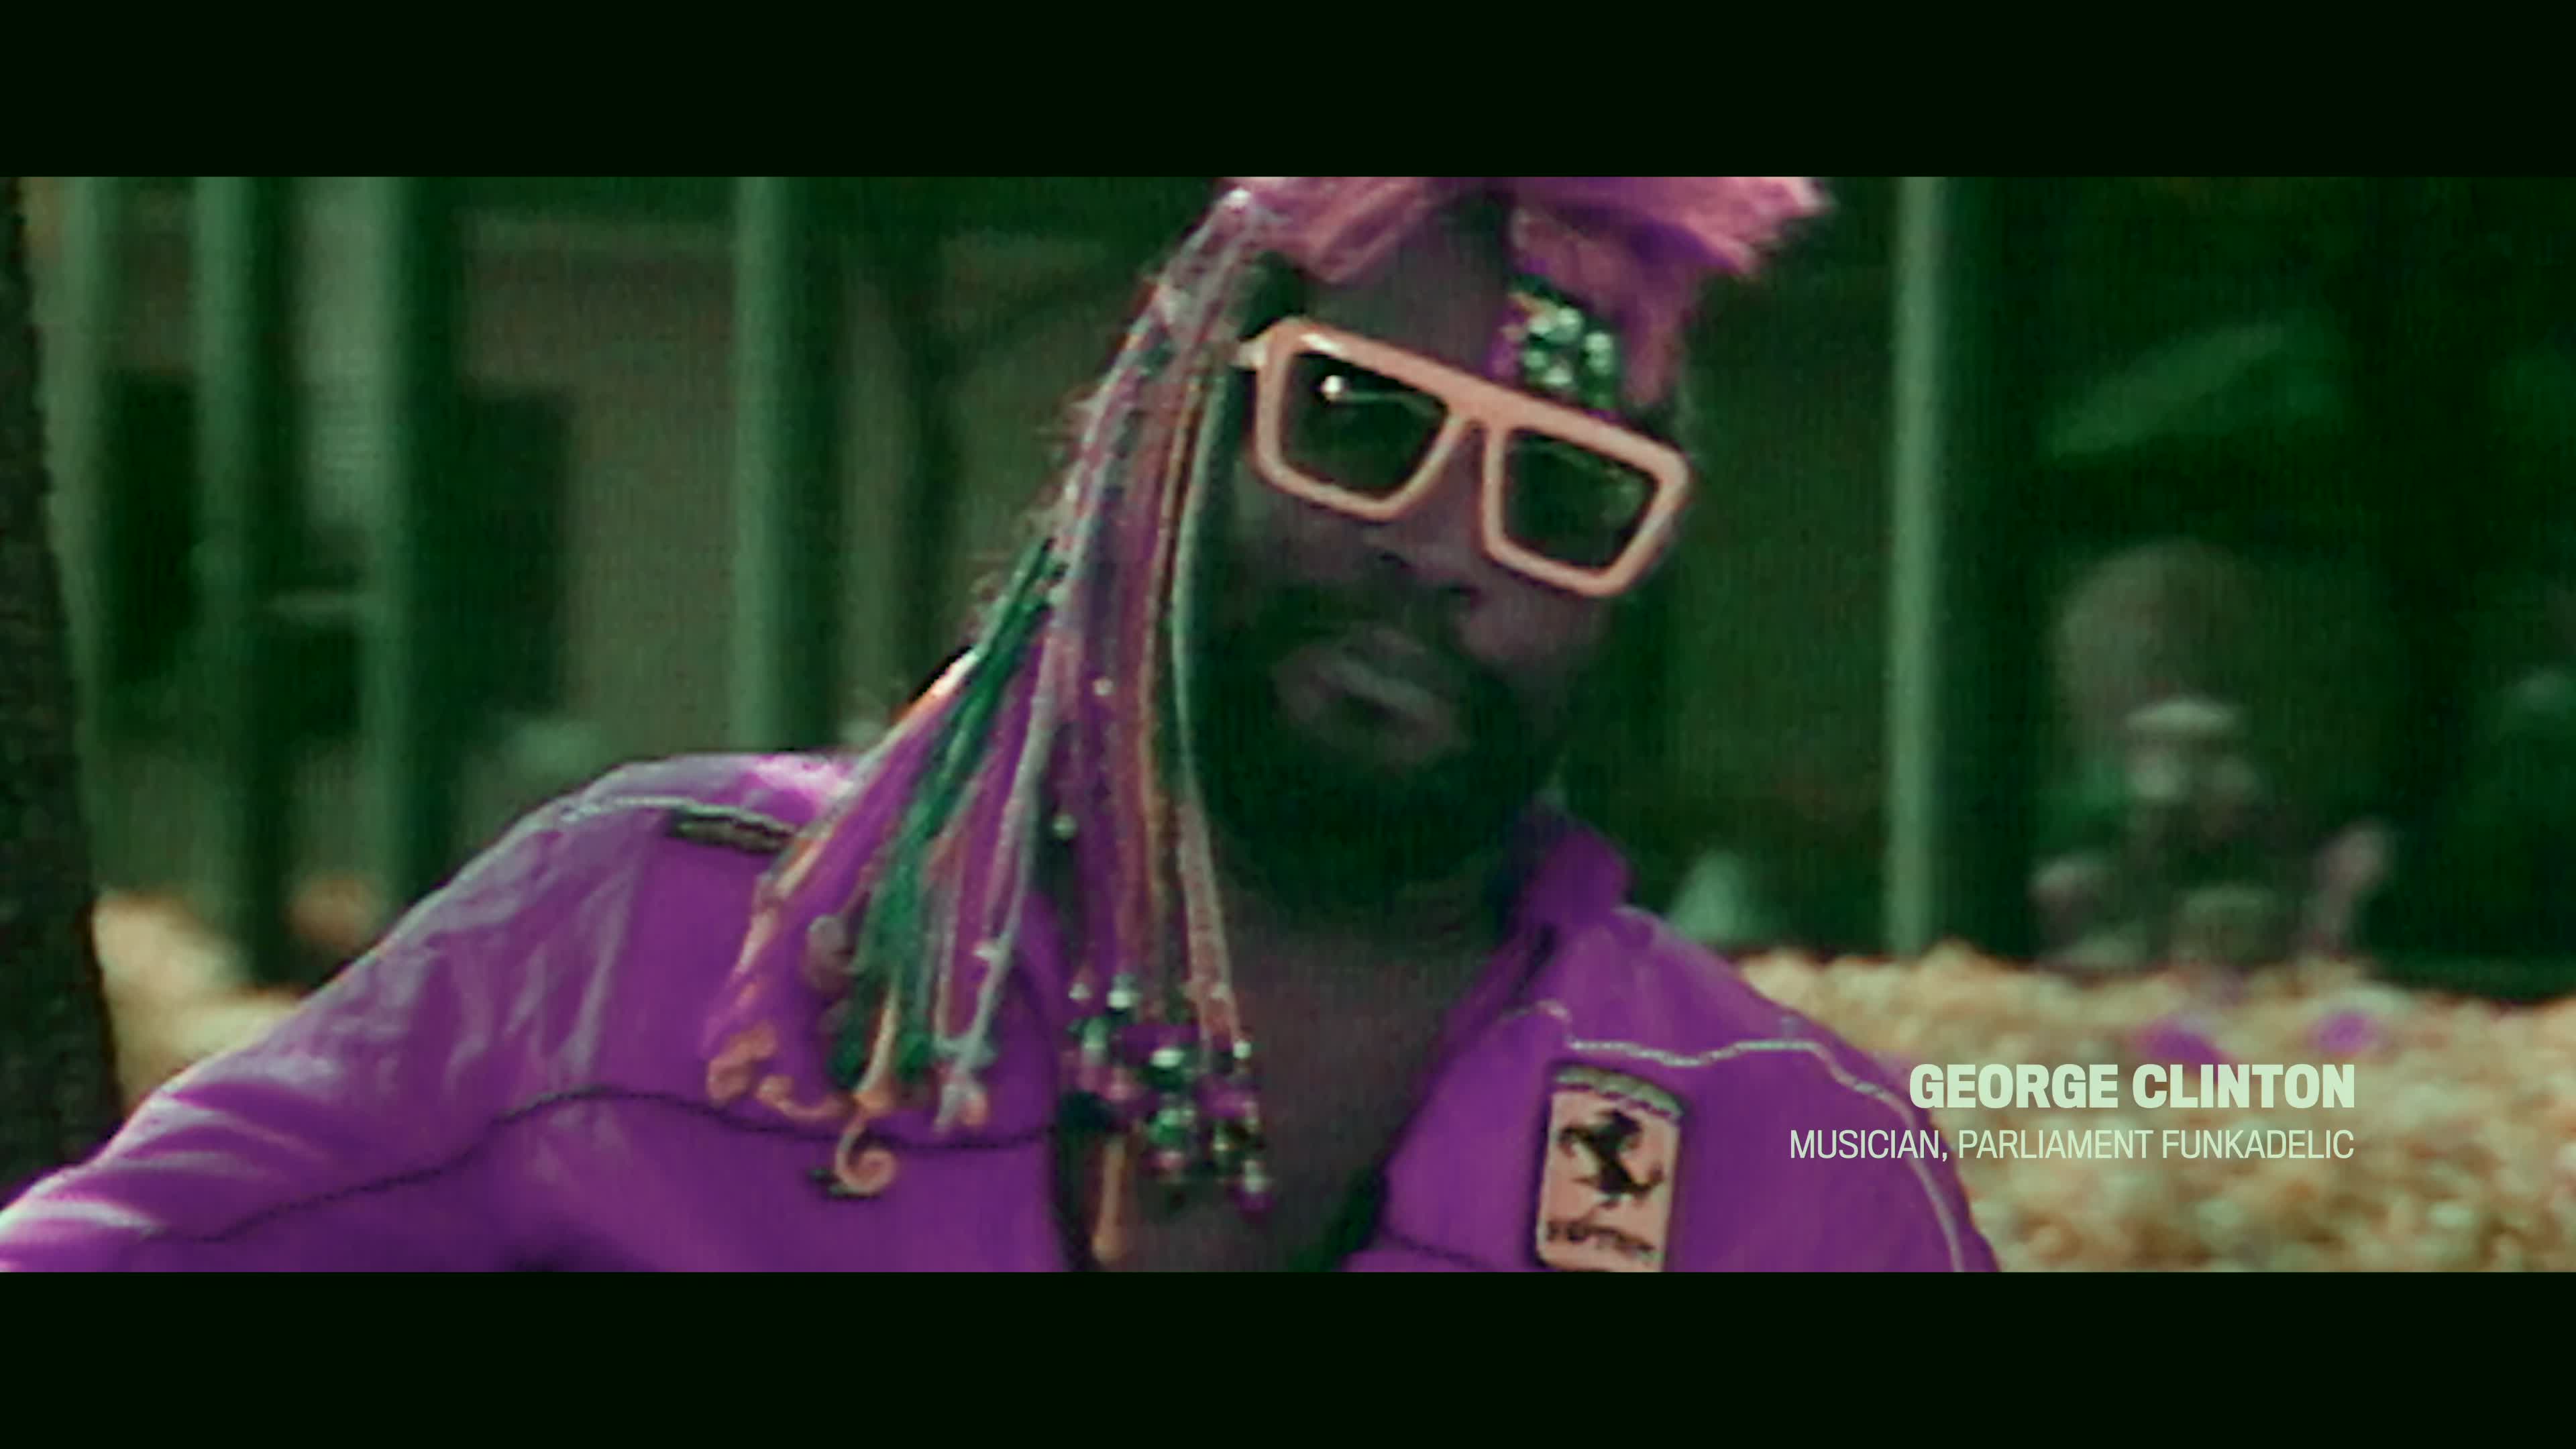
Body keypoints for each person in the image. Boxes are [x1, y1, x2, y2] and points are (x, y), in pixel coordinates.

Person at [0, 177, 1994, 1272]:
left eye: (1561, 492)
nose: (1441, 547)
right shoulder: (653, 935)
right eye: (1358, 422)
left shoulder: (1789, 1162)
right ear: (1166, 432)